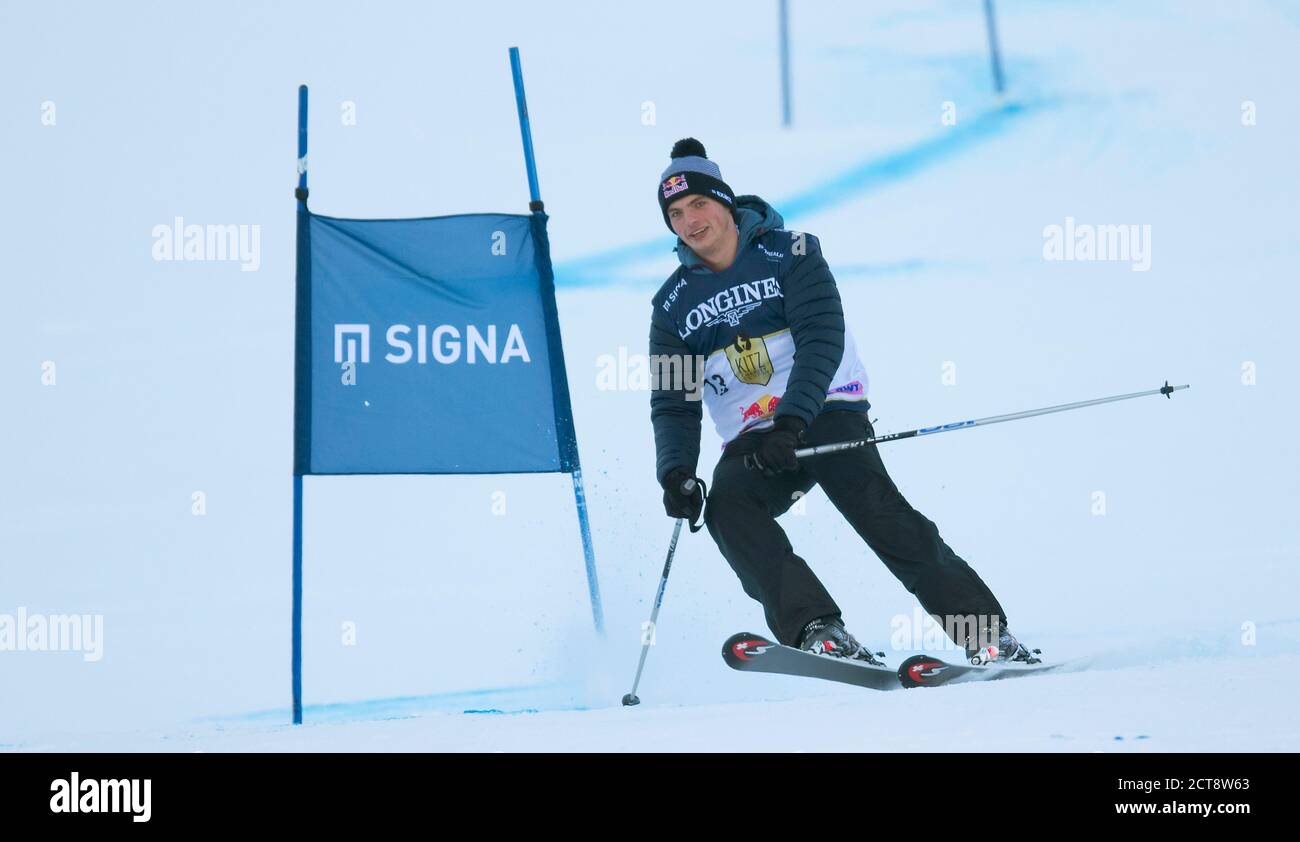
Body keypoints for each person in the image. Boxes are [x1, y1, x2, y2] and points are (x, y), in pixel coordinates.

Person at [648, 138, 1038, 665]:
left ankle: (987, 635)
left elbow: (821, 340)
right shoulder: (671, 306)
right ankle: (818, 631)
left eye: (699, 204)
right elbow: (673, 400)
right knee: (729, 506)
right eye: (676, 213)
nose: (690, 221)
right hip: (754, 441)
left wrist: (791, 420)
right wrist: (676, 474)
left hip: (825, 408)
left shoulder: (793, 253)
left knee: (875, 507)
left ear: (725, 201)